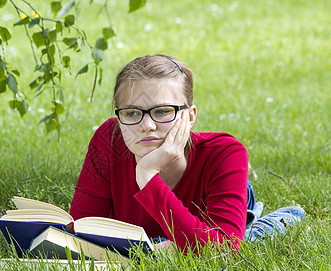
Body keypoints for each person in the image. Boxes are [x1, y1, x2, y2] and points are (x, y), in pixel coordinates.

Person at [69, 54, 298, 252]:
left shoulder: (225, 152)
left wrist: (148, 175)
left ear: (189, 116)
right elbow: (82, 229)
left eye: (162, 111)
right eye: (131, 113)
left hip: (211, 192)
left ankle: (266, 218)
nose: (146, 125)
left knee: (242, 240)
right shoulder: (109, 138)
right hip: (190, 225)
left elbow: (223, 250)